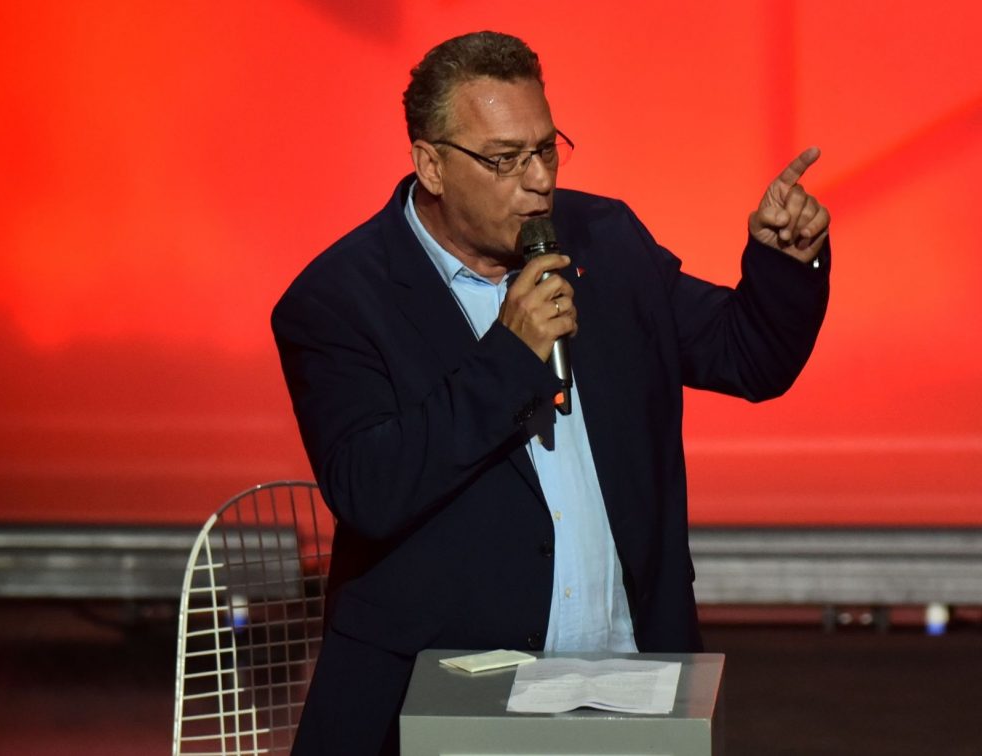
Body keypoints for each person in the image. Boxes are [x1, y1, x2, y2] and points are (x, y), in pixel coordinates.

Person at [272, 30, 830, 756]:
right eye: (505, 159)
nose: (538, 180)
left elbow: (747, 356)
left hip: (627, 681)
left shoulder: (605, 242)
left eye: (546, 149)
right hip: (441, 706)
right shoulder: (340, 299)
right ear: (431, 165)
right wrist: (510, 357)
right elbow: (370, 488)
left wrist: (785, 263)